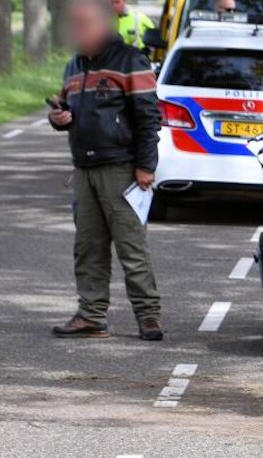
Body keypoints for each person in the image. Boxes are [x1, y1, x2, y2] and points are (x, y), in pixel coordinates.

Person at [48, 0, 165, 341]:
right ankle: (90, 315)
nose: (77, 32)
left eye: (84, 24)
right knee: (88, 248)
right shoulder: (73, 64)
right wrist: (57, 119)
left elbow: (148, 117)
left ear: (103, 24)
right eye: (74, 25)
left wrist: (145, 166)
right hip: (83, 169)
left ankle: (148, 317)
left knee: (132, 247)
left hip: (121, 168)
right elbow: (64, 110)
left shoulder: (130, 59)